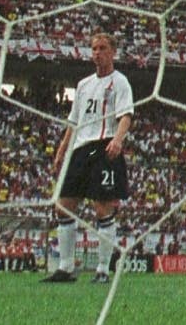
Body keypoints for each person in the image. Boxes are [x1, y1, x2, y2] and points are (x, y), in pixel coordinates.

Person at [46, 31, 133, 284]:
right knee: (63, 205)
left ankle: (103, 270)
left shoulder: (120, 82)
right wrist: (62, 151)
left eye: (102, 48)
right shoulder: (84, 85)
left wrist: (118, 139)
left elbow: (126, 114)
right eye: (94, 49)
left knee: (102, 208)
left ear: (112, 52)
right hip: (81, 149)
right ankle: (65, 268)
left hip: (105, 147)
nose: (97, 53)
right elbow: (73, 122)